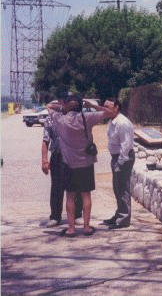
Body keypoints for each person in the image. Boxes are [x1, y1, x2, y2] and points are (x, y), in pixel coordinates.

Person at [47, 94, 112, 237]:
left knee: (70, 196)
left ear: (69, 105)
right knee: (86, 195)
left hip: (68, 164)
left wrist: (63, 107)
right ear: (81, 106)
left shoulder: (61, 119)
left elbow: (49, 106)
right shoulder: (86, 118)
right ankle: (86, 227)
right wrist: (92, 105)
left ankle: (71, 229)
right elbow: (108, 113)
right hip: (86, 163)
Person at [41, 93, 83, 227]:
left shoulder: (77, 117)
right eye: (63, 101)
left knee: (76, 185)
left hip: (74, 155)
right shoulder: (51, 118)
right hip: (58, 155)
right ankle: (55, 216)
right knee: (56, 187)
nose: (65, 104)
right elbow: (45, 140)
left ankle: (77, 215)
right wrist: (44, 160)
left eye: (68, 101)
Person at [102, 98, 135, 230]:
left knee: (122, 188)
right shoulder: (112, 122)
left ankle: (123, 219)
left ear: (116, 108)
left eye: (108, 107)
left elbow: (126, 145)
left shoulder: (123, 123)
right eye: (104, 106)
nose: (105, 109)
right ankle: (119, 214)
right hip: (116, 157)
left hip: (123, 158)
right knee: (117, 188)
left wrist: (120, 163)